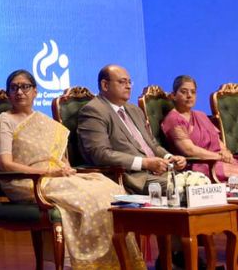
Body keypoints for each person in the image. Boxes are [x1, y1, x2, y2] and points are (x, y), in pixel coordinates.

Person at [0, 69, 139, 269]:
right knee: (88, 196)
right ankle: (92, 263)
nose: (20, 92)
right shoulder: (5, 120)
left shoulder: (43, 121)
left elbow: (59, 157)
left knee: (109, 188)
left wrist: (66, 168)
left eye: (25, 87)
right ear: (8, 93)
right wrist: (48, 173)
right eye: (14, 88)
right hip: (25, 181)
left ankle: (117, 261)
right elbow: (5, 164)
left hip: (54, 176)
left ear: (35, 92)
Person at [77, 64, 187, 194]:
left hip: (159, 173)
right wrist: (144, 163)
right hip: (132, 177)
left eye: (130, 82)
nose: (128, 86)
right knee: (183, 188)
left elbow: (152, 145)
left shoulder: (134, 110)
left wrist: (169, 157)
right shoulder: (94, 111)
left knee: (200, 183)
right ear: (105, 85)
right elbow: (100, 154)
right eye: (122, 82)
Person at [161, 74, 238, 182]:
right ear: (173, 95)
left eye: (193, 92)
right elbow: (189, 150)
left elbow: (216, 139)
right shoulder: (173, 119)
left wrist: (225, 151)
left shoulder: (200, 115)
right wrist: (218, 157)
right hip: (199, 165)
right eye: (184, 92)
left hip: (218, 160)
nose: (189, 95)